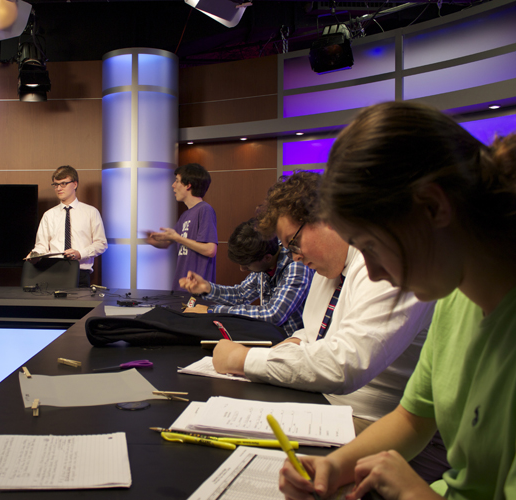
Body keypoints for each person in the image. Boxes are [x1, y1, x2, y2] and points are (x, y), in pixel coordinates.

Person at [279, 102, 516, 499]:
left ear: (433, 206)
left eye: (373, 246)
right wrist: (337, 466)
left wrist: (416, 493)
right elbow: (413, 417)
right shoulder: (456, 299)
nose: (371, 272)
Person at [212, 172, 436, 439]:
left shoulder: (381, 264)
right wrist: (288, 347)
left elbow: (345, 364)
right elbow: (313, 334)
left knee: (244, 435)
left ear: (327, 218)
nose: (294, 258)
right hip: (331, 403)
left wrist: (244, 359)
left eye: (293, 243)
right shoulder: (329, 270)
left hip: (374, 420)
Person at [178, 219, 314, 336]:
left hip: (292, 343)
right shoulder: (265, 260)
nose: (242, 269)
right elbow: (241, 294)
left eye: (247, 265)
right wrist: (207, 288)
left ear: (267, 258)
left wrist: (211, 311)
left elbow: (273, 314)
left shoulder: (296, 266)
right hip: (271, 336)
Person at [28, 165, 107, 288]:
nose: (59, 188)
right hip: (53, 272)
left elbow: (101, 244)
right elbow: (41, 245)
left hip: (80, 273)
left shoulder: (91, 212)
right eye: (55, 185)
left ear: (75, 184)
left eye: (63, 184)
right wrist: (35, 255)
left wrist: (80, 253)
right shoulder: (49, 215)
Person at [147, 163, 217, 291]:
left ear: (188, 185)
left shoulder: (205, 210)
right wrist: (156, 240)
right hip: (182, 287)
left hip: (197, 289)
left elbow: (210, 250)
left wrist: (177, 238)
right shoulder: (185, 215)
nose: (173, 185)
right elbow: (172, 241)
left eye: (177, 181)